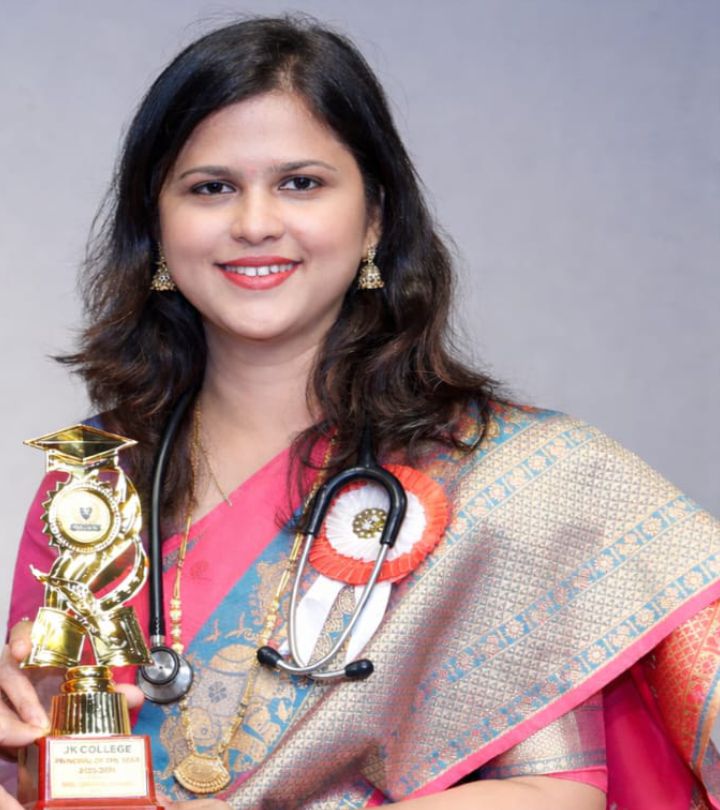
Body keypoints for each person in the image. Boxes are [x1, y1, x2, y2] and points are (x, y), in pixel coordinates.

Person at [2, 15, 719, 810]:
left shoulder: (501, 481)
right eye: (211, 188)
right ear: (157, 226)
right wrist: (22, 738)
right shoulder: (96, 481)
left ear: (375, 215)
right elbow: (34, 778)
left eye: (300, 183)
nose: (254, 223)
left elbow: (556, 793)